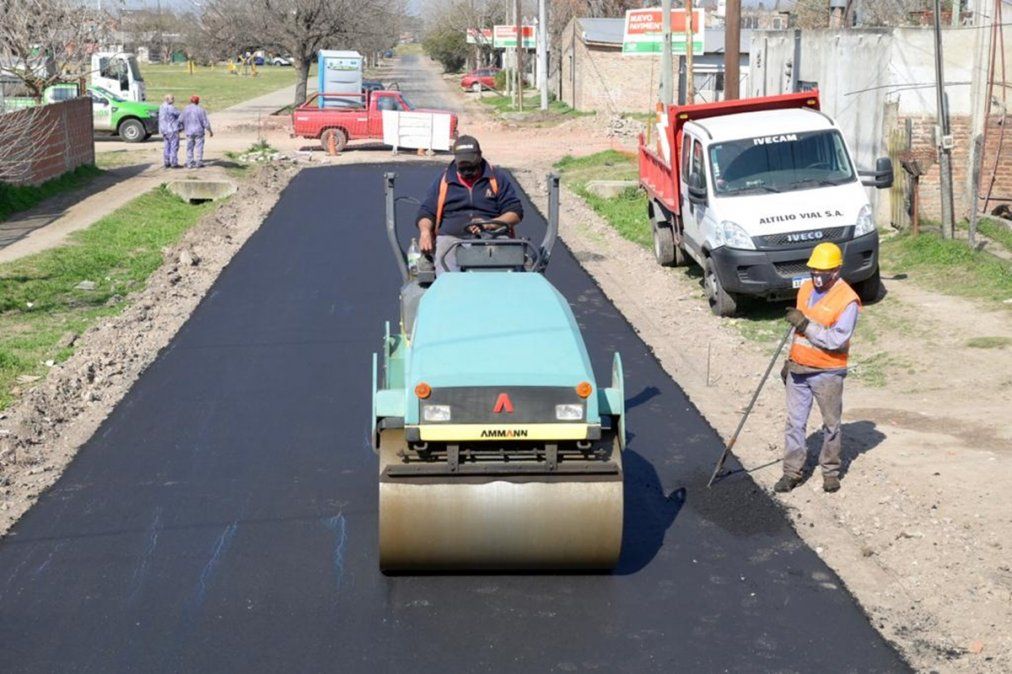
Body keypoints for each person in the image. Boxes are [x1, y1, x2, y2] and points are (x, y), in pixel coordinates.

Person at [775, 242, 861, 494]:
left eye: (823, 272)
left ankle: (830, 473)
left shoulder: (848, 301)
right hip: (798, 370)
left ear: (836, 271)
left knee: (831, 425)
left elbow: (836, 340)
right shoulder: (805, 289)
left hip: (827, 372)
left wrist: (805, 325)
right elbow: (797, 334)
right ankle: (791, 473)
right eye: (813, 271)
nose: (817, 277)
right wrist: (789, 360)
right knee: (794, 423)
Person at [416, 135, 523, 274]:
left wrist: (489, 224)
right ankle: (451, 292)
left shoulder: (496, 178)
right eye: (463, 167)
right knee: (446, 267)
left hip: (492, 237)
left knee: (502, 271)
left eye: (471, 166)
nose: (467, 171)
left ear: (479, 157)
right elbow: (426, 211)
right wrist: (425, 232)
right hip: (451, 239)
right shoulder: (444, 181)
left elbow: (515, 212)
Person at [180, 95, 213, 169]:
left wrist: (183, 127)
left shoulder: (185, 109)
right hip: (199, 131)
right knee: (199, 147)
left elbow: (180, 120)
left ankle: (189, 162)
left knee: (189, 147)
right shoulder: (201, 110)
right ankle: (199, 162)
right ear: (198, 101)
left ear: (190, 101)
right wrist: (210, 131)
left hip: (189, 131)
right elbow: (205, 122)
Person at [158, 94, 181, 169]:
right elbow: (180, 114)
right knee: (174, 147)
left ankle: (166, 162)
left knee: (166, 147)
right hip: (172, 129)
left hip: (164, 130)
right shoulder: (171, 108)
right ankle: (174, 163)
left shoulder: (161, 107)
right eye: (172, 98)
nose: (173, 100)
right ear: (167, 99)